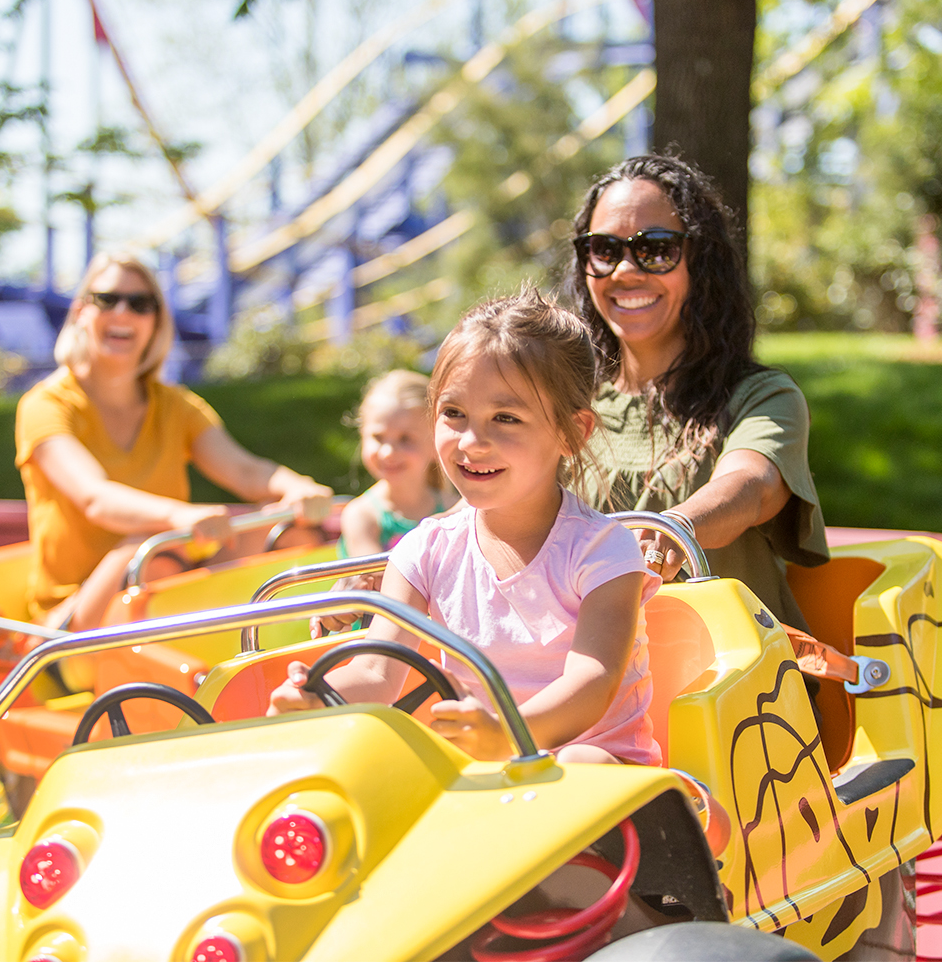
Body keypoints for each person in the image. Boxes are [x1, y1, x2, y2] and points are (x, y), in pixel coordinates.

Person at [270, 290, 662, 765]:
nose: (472, 442)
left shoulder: (603, 551)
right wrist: (318, 699)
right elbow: (376, 670)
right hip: (487, 769)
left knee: (581, 764)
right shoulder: (424, 551)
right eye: (454, 414)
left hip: (601, 768)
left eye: (505, 418)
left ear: (572, 433)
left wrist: (508, 735)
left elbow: (590, 684)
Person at [565, 154, 830, 637]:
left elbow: (750, 487)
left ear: (700, 261)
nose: (625, 270)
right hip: (597, 694)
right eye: (604, 250)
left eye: (657, 249)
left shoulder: (763, 397)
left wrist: (672, 528)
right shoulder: (562, 404)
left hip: (742, 697)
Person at [16, 250, 332, 635]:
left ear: (155, 321)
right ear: (82, 311)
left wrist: (295, 487)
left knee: (287, 530)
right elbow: (94, 497)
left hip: (165, 580)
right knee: (152, 552)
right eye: (107, 300)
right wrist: (177, 516)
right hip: (72, 619)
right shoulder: (45, 405)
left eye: (140, 304)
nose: (122, 313)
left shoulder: (176, 406)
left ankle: (282, 659)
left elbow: (244, 470)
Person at [337, 370, 457, 558]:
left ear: (436, 443)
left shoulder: (455, 510)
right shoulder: (362, 516)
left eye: (405, 439)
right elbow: (377, 582)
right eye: (378, 437)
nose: (388, 453)